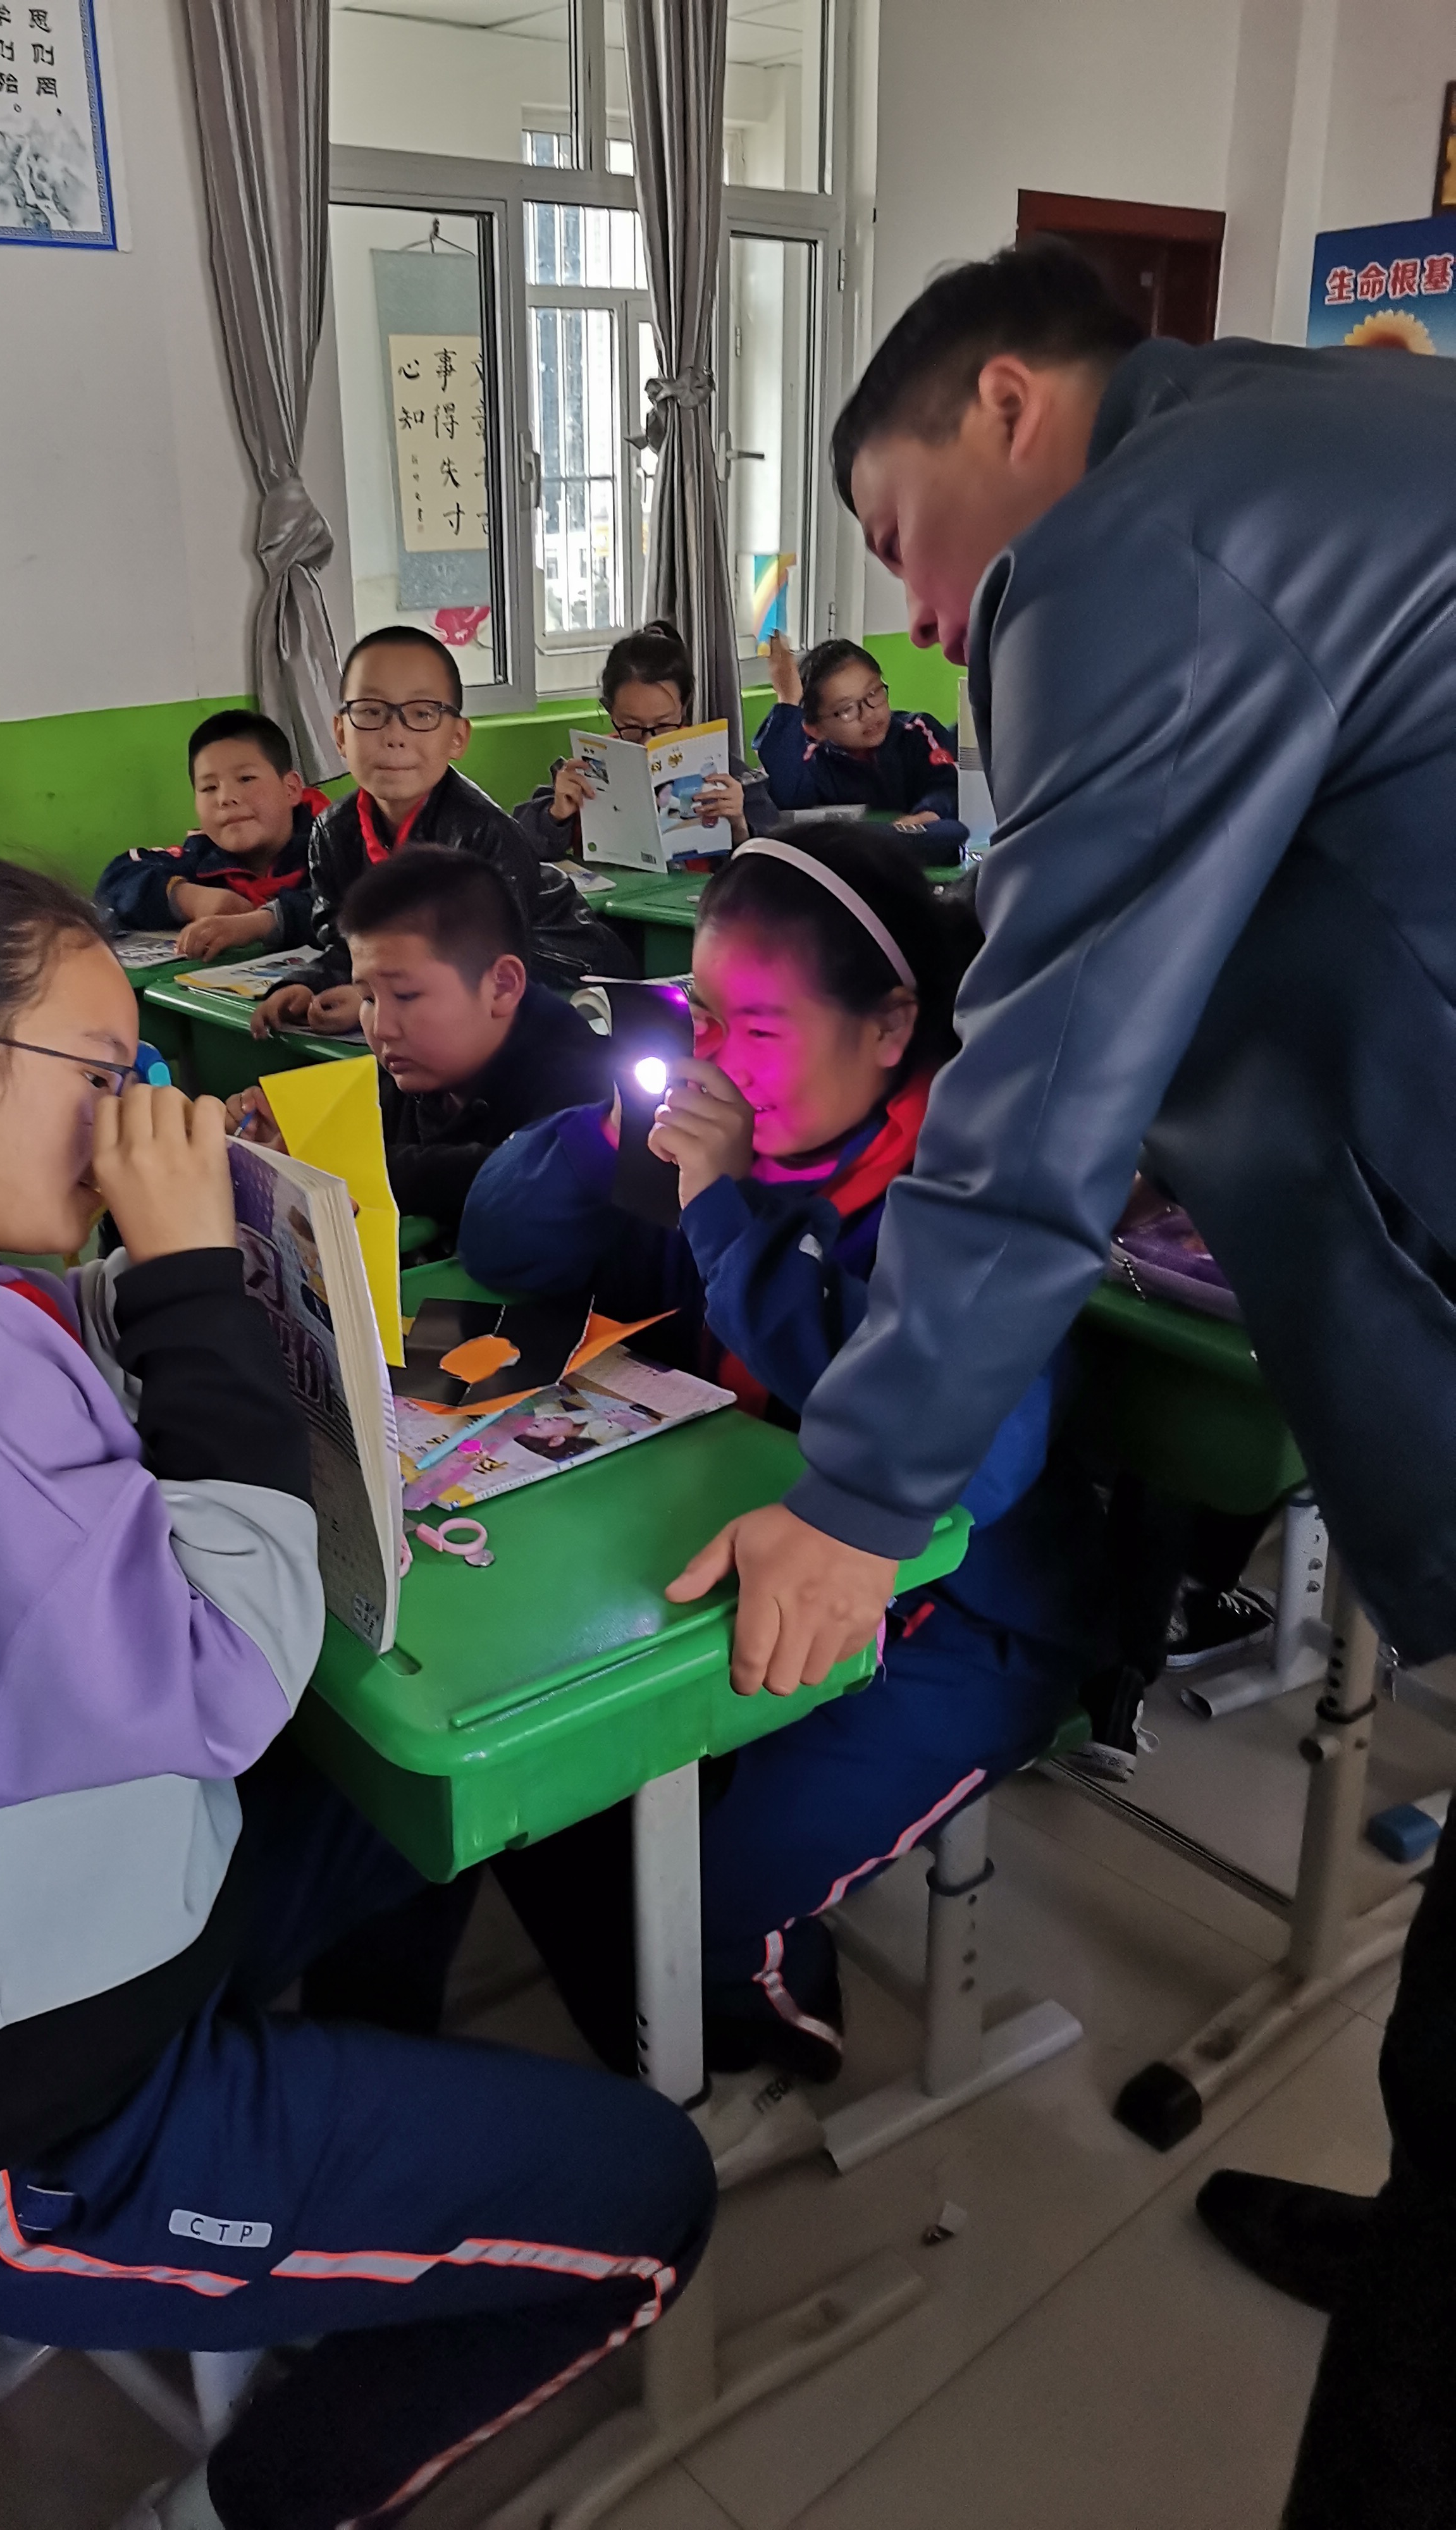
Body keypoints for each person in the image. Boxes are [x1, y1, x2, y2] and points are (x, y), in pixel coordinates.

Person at [0, 851, 713, 2530]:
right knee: (656, 2192)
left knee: (415, 1807)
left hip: (55, 1932)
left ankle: (356, 2169)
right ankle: (248, 2496)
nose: (128, 1119)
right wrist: (191, 1281)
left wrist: (161, 1273)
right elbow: (226, 1674)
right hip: (35, 2126)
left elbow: (13, 1379)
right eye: (104, 1072)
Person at [667, 238, 1456, 2526]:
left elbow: (1045, 1070)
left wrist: (858, 1492)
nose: (923, 616)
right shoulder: (1323, 449)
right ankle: (1409, 2224)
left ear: (1010, 405)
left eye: (900, 533)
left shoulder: (1143, 529)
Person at [460, 827, 1100, 2078]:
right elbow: (501, 1247)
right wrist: (610, 1132)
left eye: (759, 1027)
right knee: (561, 1784)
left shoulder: (974, 1199)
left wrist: (719, 1205)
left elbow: (940, 1455)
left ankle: (765, 2033)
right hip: (749, 1543)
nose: (716, 1058)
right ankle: (652, 1984)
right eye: (701, 1016)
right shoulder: (721, 1132)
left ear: (890, 1026)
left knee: (702, 1897)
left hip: (963, 1620)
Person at [252, 626, 630, 1039]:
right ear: (341, 734)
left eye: (422, 714)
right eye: (371, 712)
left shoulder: (484, 833)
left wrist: (373, 1000)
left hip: (568, 979)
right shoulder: (332, 832)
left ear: (457, 738)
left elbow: (489, 964)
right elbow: (349, 940)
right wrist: (306, 984)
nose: (394, 736)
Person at [228, 848, 611, 1228]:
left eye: (407, 995)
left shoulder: (585, 1085)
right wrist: (291, 1139)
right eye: (367, 998)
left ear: (502, 986)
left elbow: (536, 1176)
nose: (382, 1028)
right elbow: (364, 1138)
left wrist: (354, 1167)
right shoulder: (414, 1068)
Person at [515, 619, 777, 861]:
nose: (647, 742)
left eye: (663, 724)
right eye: (631, 726)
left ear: (684, 706)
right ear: (609, 710)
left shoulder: (724, 769)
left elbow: (776, 857)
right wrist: (555, 815)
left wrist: (740, 826)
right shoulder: (588, 766)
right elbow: (515, 848)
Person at [94, 707, 326, 963]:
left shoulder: (335, 844)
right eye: (209, 788)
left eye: (246, 779)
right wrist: (189, 899)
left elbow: (342, 903)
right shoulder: (202, 856)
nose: (226, 798)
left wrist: (260, 923)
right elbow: (116, 881)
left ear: (291, 788)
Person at [754, 632, 958, 830]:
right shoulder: (815, 760)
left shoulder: (917, 731)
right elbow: (785, 798)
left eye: (873, 693)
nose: (868, 714)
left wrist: (928, 813)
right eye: (847, 709)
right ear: (815, 730)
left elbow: (951, 785)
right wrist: (788, 701)